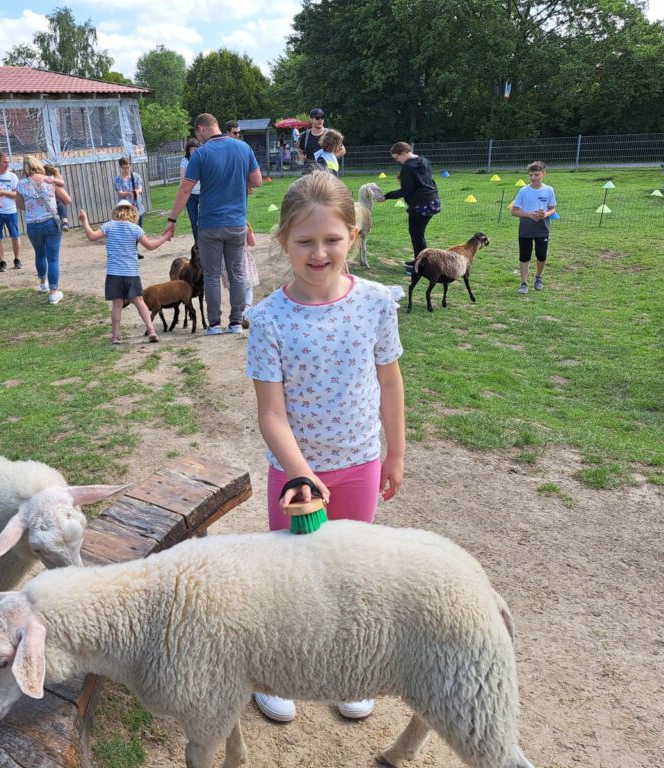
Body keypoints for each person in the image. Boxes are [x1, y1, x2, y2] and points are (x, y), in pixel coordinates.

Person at [244, 170, 405, 725]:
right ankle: (275, 674)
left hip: (360, 464)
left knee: (352, 574)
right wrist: (301, 474)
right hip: (294, 476)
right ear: (283, 241)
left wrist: (396, 453)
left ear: (353, 236)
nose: (319, 252)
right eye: (305, 241)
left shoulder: (378, 304)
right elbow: (271, 414)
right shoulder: (267, 320)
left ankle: (352, 673)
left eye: (331, 239)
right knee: (288, 578)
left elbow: (389, 383)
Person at [164, 112, 262, 334]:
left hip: (209, 224)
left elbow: (186, 188)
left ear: (201, 129)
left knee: (211, 275)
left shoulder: (201, 153)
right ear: (217, 126)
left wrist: (172, 219)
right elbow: (256, 181)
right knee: (237, 273)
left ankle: (215, 324)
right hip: (237, 223)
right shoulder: (243, 148)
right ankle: (236, 322)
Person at [78, 200, 171, 344]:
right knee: (140, 302)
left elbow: (92, 236)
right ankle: (151, 329)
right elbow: (150, 246)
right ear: (132, 214)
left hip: (114, 273)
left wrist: (84, 220)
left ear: (116, 212)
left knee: (117, 304)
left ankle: (116, 336)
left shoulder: (109, 225)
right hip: (131, 272)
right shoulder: (135, 229)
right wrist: (165, 238)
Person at [16, 155, 71, 304]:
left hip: (33, 224)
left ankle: (43, 283)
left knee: (40, 254)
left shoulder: (21, 184)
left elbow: (20, 205)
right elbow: (67, 200)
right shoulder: (49, 180)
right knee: (53, 258)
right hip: (51, 222)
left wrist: (33, 207)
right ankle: (54, 292)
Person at [381, 141, 440, 271]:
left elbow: (405, 190)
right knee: (419, 233)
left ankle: (422, 265)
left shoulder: (407, 168)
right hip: (433, 200)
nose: (397, 161)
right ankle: (420, 261)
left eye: (397, 158)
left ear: (403, 153)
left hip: (420, 204)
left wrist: (387, 196)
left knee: (417, 234)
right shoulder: (423, 161)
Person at [510, 160, 557, 295]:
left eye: (536, 175)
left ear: (543, 174)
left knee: (541, 255)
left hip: (542, 228)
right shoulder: (523, 191)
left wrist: (546, 214)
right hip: (525, 229)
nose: (533, 178)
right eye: (531, 175)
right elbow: (514, 211)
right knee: (524, 256)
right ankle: (524, 283)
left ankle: (538, 278)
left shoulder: (549, 190)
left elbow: (552, 209)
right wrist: (529, 215)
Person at [297, 108, 343, 175]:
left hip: (327, 173)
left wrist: (326, 160)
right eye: (317, 118)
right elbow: (301, 151)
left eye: (322, 117)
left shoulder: (330, 134)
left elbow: (342, 150)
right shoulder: (305, 135)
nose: (320, 120)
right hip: (309, 174)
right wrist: (301, 156)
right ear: (311, 120)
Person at [178, 139, 201, 244]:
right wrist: (181, 194)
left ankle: (205, 241)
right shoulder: (185, 161)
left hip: (202, 193)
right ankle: (197, 243)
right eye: (190, 149)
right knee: (194, 220)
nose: (192, 151)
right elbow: (182, 179)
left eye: (195, 149)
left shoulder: (202, 158)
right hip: (190, 194)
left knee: (203, 219)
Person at [113, 159, 145, 227]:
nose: (126, 169)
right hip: (125, 209)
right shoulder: (117, 179)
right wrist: (128, 193)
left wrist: (137, 191)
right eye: (124, 168)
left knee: (139, 228)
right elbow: (120, 193)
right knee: (129, 228)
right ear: (121, 167)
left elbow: (140, 189)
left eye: (128, 167)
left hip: (137, 207)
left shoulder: (136, 176)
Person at [42, 162, 70, 230]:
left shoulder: (51, 178)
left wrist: (53, 180)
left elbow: (62, 183)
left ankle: (65, 222)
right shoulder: (53, 178)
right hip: (53, 201)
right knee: (61, 206)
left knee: (60, 205)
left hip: (54, 201)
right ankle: (65, 222)